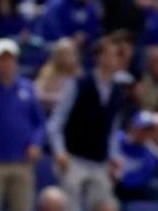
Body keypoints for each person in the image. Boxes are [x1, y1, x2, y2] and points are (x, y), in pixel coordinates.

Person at [47, 37, 125, 211]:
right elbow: (56, 122)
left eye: (117, 56)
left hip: (100, 161)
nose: (115, 59)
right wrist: (59, 151)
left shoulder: (118, 93)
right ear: (100, 57)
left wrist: (114, 157)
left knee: (107, 206)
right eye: (111, 54)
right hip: (73, 158)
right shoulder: (78, 84)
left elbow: (112, 131)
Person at [0, 38, 46, 211]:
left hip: (23, 162)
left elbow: (39, 123)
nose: (6, 64)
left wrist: (36, 144)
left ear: (16, 61)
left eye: (9, 59)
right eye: (1, 59)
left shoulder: (27, 88)